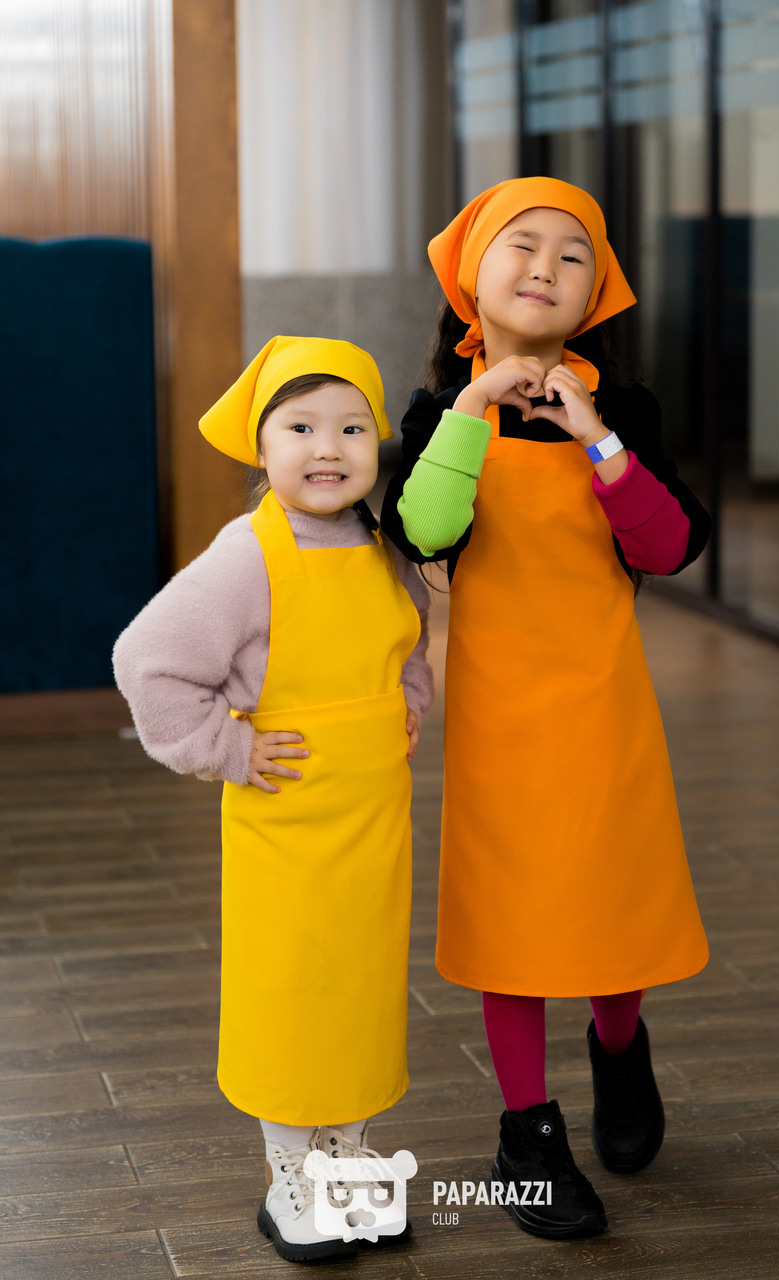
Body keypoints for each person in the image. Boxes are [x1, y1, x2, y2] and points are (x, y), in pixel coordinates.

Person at [381, 177, 709, 1240]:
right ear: (468, 278)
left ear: (594, 293)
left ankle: (618, 1048)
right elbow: (424, 531)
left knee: (614, 903)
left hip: (606, 703)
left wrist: (597, 437)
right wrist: (472, 412)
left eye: (574, 255)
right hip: (498, 718)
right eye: (521, 244)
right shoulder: (440, 412)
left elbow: (667, 544)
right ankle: (526, 1134)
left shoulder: (624, 411)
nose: (545, 266)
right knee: (509, 923)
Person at [114, 336, 432, 1263]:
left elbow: (407, 639)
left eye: (352, 428)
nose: (328, 447)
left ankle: (348, 1158)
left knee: (361, 989)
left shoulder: (382, 547)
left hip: (375, 816)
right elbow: (147, 661)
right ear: (261, 447)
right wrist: (227, 747)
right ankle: (290, 1170)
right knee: (293, 991)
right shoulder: (246, 556)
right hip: (286, 823)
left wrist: (409, 700)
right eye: (300, 428)